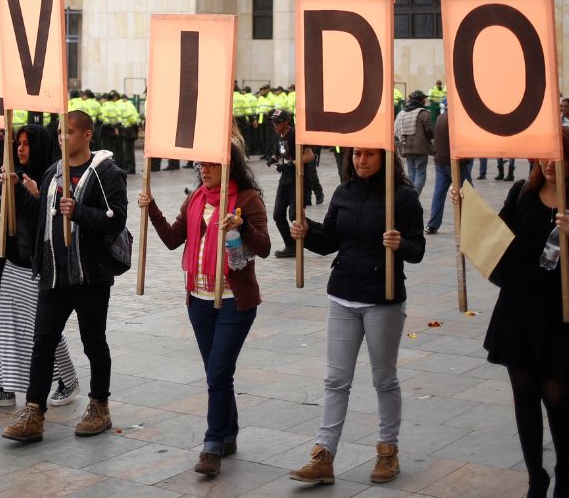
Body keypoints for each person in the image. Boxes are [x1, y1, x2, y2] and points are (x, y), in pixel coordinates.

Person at [459, 127, 569, 498]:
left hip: (563, 313)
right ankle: (535, 476)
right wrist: (466, 210)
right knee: (523, 392)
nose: (551, 163)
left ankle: (564, 469)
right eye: (546, 154)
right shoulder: (521, 192)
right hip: (519, 307)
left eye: (561, 157)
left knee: (557, 395)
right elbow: (498, 239)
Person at [287, 147, 425, 486]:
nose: (361, 161)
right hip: (342, 294)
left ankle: (387, 451)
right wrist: (307, 234)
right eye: (356, 155)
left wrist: (399, 244)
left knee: (384, 379)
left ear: (384, 158)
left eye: (368, 155)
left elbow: (418, 249)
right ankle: (324, 455)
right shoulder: (343, 192)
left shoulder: (403, 197)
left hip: (383, 298)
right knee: (335, 380)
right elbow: (331, 240)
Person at [138, 144, 271, 477]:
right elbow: (172, 239)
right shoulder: (195, 198)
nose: (205, 169)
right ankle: (229, 431)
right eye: (202, 164)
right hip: (198, 300)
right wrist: (151, 208)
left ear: (229, 165)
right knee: (218, 373)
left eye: (212, 164)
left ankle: (212, 444)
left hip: (233, 301)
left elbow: (265, 247)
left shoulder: (247, 200)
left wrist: (242, 227)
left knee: (218, 373)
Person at [1, 110, 128, 443]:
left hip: (89, 275)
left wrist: (80, 212)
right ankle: (33, 410)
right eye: (59, 131)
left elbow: (116, 220)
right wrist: (17, 190)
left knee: (93, 342)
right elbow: (43, 213)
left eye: (68, 132)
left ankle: (99, 405)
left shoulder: (107, 173)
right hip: (54, 274)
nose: (62, 137)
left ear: (86, 135)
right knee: (42, 342)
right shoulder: (52, 173)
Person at [0, 124, 81, 409]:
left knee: (44, 328)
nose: (20, 149)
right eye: (18, 144)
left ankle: (68, 379)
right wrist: (6, 188)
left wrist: (32, 195)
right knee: (9, 324)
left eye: (26, 144)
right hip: (12, 260)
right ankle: (4, 386)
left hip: (37, 264)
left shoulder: (52, 179)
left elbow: (47, 219)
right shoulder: (14, 175)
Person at [265, 108, 313, 259]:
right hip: (285, 181)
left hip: (298, 180)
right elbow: (280, 153)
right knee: (278, 215)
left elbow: (310, 155)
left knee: (295, 216)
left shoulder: (295, 135)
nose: (275, 125)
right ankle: (290, 246)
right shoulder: (280, 136)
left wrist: (290, 165)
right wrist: (274, 158)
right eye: (273, 122)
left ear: (286, 122)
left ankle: (315, 238)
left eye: (278, 122)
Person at [426, 108, 471, 234]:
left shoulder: (440, 117)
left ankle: (432, 224)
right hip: (454, 161)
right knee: (468, 192)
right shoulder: (456, 119)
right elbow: (461, 140)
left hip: (440, 160)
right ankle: (469, 224)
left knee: (438, 194)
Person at [393, 90, 433, 195]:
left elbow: (396, 130)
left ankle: (410, 197)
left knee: (411, 174)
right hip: (421, 148)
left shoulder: (402, 113)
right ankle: (413, 198)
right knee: (421, 174)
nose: (425, 101)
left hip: (407, 147)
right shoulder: (423, 113)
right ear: (420, 100)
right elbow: (429, 131)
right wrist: (432, 138)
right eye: (423, 99)